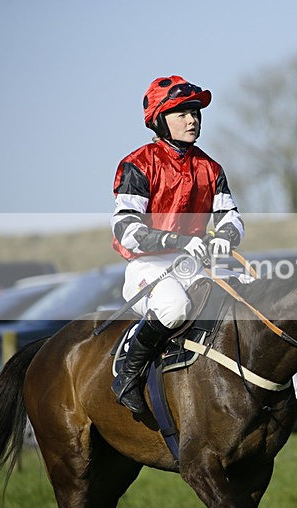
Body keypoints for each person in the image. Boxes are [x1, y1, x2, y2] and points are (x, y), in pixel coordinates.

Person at [109, 75, 244, 415]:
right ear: (159, 120)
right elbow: (126, 229)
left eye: (195, 113)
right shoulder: (137, 164)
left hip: (192, 265)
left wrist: (223, 238)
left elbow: (231, 218)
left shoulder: (210, 168)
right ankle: (127, 375)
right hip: (147, 265)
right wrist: (178, 241)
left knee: (241, 296)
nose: (192, 120)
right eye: (182, 113)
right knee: (174, 307)